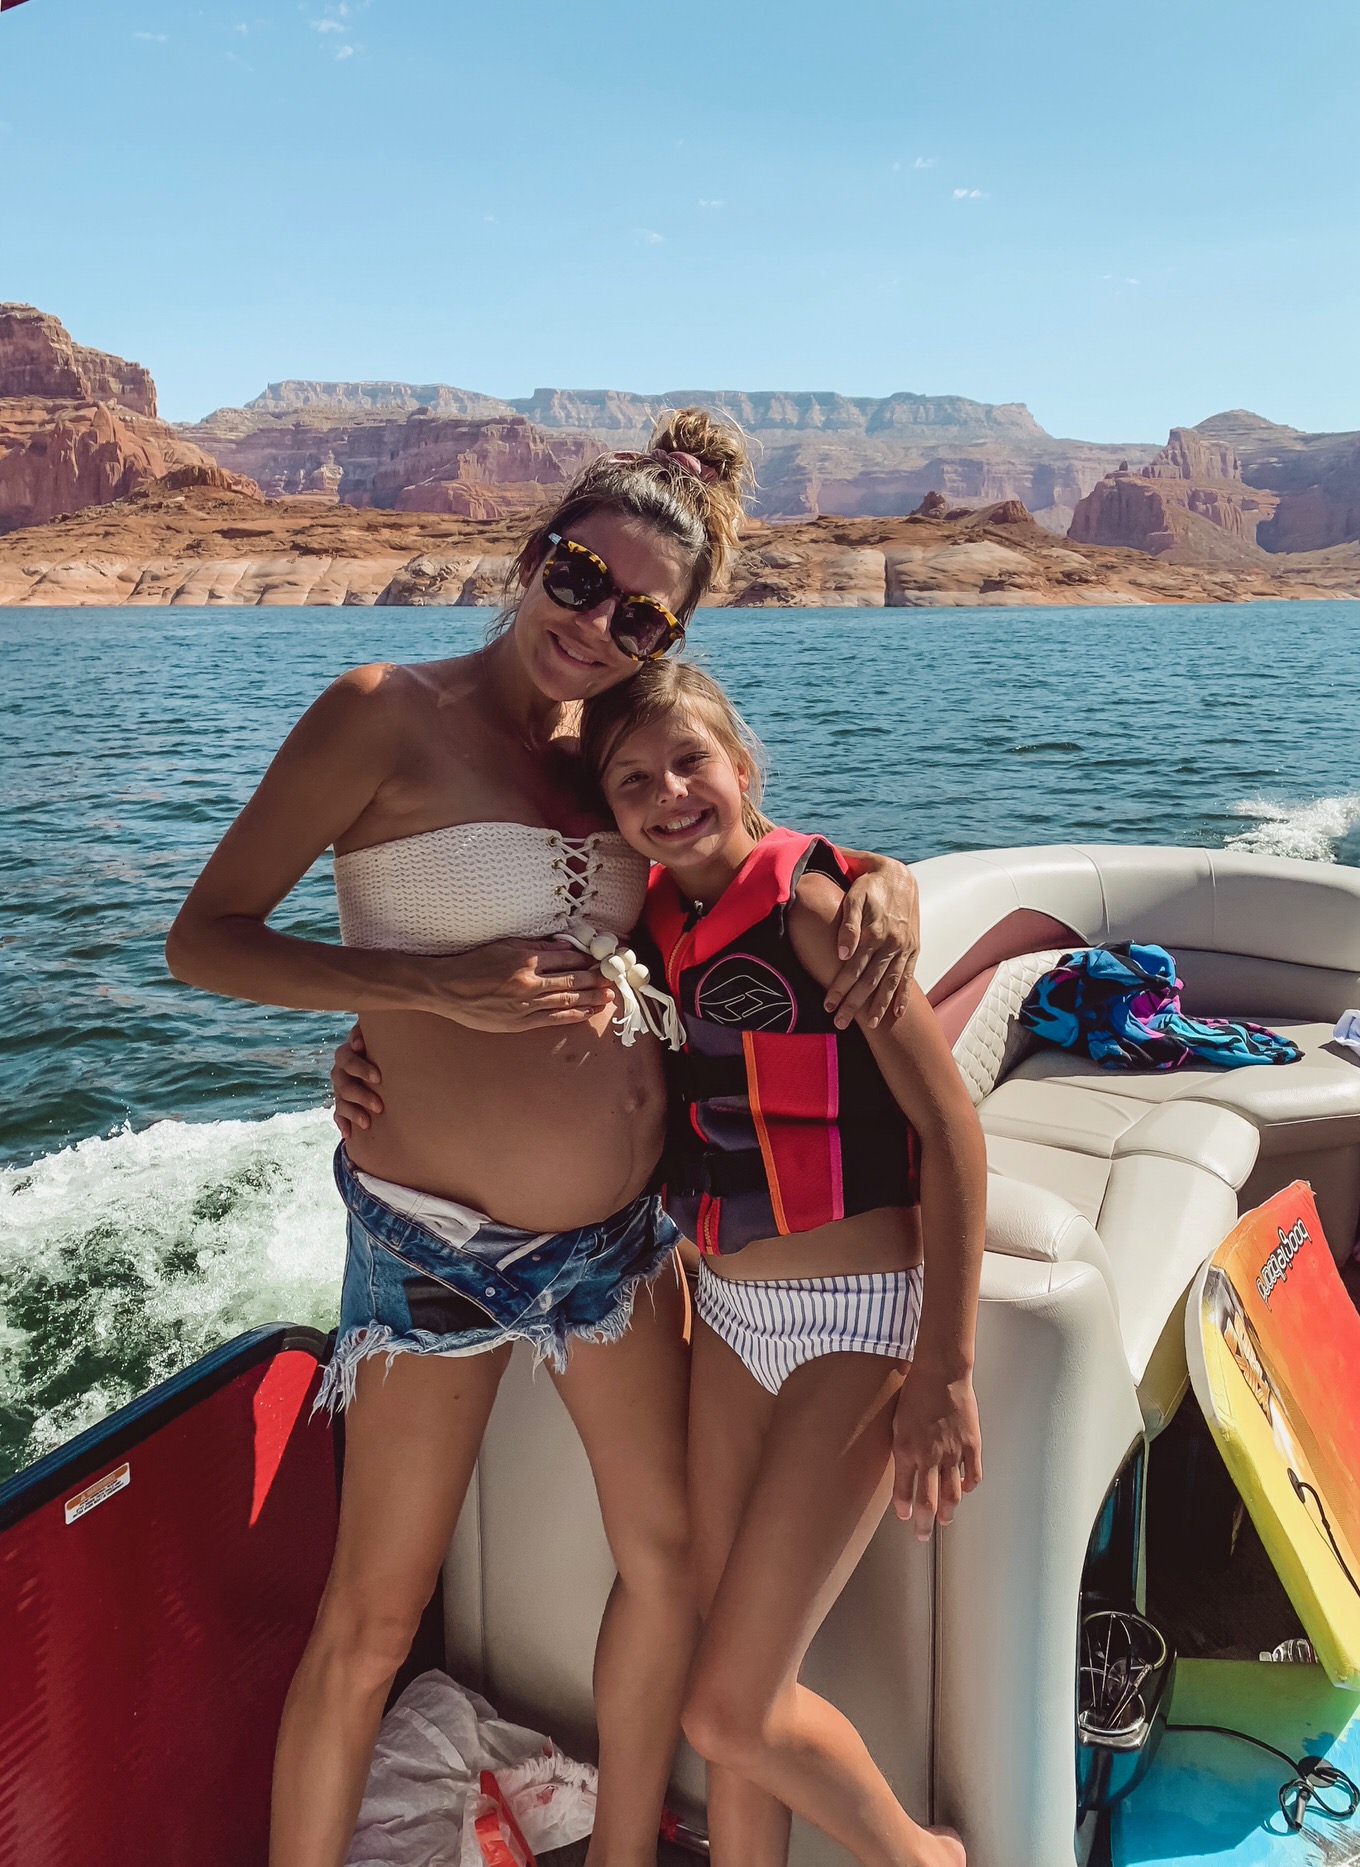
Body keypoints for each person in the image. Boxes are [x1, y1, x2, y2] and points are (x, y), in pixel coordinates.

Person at [166, 408, 922, 1867]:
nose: (596, 623)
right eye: (579, 578)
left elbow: (740, 854)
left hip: (622, 1246)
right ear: (533, 554)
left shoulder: (616, 759)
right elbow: (205, 938)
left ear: (670, 635)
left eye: (642, 615)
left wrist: (875, 874)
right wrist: (417, 992)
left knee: (670, 1563)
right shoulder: (380, 711)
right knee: (371, 1614)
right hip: (435, 1246)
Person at [579, 659, 985, 1867]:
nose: (668, 794)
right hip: (728, 1317)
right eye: (633, 781)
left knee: (728, 1711)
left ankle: (926, 1859)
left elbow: (950, 1134)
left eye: (689, 762)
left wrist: (944, 1368)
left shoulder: (816, 915)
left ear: (741, 767)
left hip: (853, 1321)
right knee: (731, 1671)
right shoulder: (654, 920)